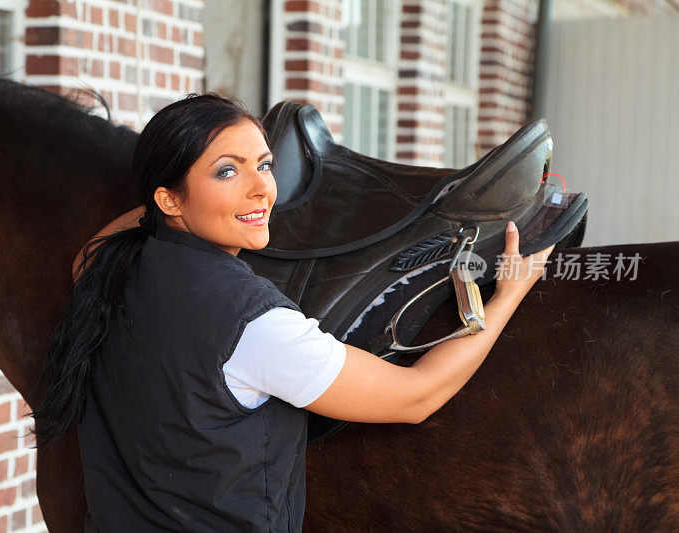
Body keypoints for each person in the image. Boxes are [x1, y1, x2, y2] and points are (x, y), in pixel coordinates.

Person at [29, 92, 555, 532]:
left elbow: (107, 239)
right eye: (226, 172)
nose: (263, 189)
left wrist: (185, 199)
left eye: (263, 164)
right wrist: (506, 296)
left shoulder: (105, 269)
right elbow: (416, 397)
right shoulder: (256, 326)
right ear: (168, 198)